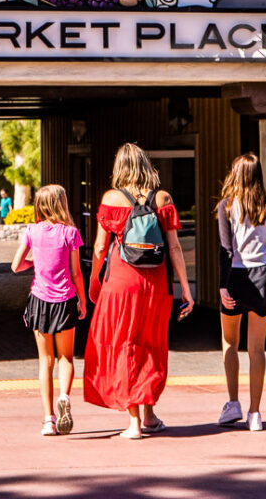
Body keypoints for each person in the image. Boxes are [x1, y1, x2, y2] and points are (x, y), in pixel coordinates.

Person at [83, 142, 194, 439]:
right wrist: (186, 288)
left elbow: (99, 247)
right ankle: (150, 414)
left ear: (120, 167)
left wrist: (94, 280)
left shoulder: (111, 198)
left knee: (124, 344)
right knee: (152, 344)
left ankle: (133, 422)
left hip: (120, 281)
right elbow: (173, 247)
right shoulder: (163, 197)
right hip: (156, 284)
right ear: (147, 165)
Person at [216, 152, 266, 432]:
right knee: (257, 349)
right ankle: (255, 413)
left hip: (235, 277)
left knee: (229, 343)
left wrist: (222, 285)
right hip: (263, 279)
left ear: (238, 175)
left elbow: (225, 250)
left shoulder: (226, 206)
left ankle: (232, 402)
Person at [11, 184, 86, 436]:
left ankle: (48, 420)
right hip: (65, 300)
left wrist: (37, 261)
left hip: (39, 301)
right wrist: (83, 301)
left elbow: (15, 266)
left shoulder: (31, 231)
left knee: (45, 361)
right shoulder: (70, 233)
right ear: (61, 204)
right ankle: (64, 396)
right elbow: (76, 272)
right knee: (66, 357)